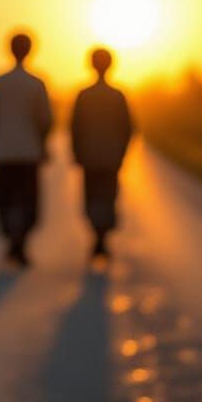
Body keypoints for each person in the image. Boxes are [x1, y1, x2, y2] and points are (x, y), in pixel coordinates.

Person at [0, 32, 53, 265]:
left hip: (4, 153)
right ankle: (20, 242)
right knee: (28, 200)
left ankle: (12, 240)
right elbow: (45, 120)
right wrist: (41, 142)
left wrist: (0, 134)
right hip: (29, 153)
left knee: (6, 199)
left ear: (9, 49)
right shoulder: (36, 83)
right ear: (30, 50)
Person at [70, 47, 134, 260]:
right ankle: (102, 237)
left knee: (92, 198)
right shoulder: (117, 96)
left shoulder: (84, 95)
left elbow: (75, 128)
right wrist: (122, 153)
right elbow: (128, 128)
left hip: (90, 157)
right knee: (108, 197)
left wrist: (77, 152)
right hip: (110, 157)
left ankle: (98, 237)